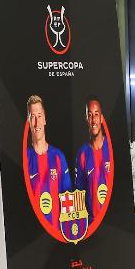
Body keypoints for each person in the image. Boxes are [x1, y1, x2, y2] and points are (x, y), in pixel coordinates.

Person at [24, 94, 71, 235]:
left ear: (45, 119)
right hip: (33, 235)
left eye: (39, 116)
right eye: (32, 117)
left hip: (57, 234)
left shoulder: (58, 157)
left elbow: (67, 197)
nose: (36, 122)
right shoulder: (25, 158)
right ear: (28, 121)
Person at [74, 98, 113, 221]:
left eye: (96, 114)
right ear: (86, 119)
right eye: (90, 115)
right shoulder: (82, 154)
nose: (93, 119)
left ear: (101, 118)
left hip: (114, 221)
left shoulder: (112, 148)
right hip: (92, 223)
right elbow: (79, 193)